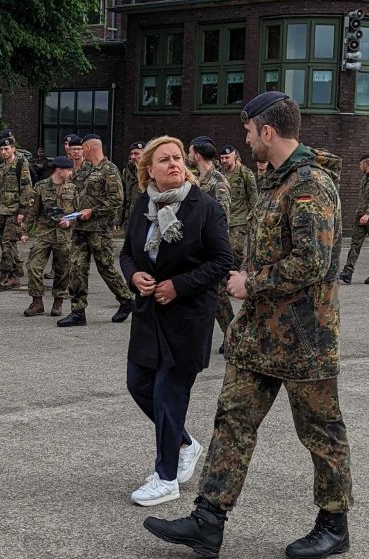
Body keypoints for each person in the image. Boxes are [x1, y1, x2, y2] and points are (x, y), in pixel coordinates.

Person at [143, 92, 352, 559]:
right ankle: (208, 521)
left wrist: (249, 283)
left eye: (249, 131)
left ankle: (334, 524)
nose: (246, 139)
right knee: (233, 422)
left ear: (268, 131)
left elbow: (313, 262)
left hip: (304, 339)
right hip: (259, 336)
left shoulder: (309, 184)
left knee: (321, 432)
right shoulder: (274, 181)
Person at [119, 136, 233, 507]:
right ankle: (184, 443)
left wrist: (178, 286)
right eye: (164, 159)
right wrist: (134, 276)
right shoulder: (142, 205)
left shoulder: (205, 208)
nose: (174, 164)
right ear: (148, 169)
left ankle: (166, 477)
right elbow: (126, 254)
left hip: (187, 316)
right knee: (139, 384)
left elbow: (221, 262)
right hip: (149, 315)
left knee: (169, 395)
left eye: (178, 158)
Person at [57, 134, 134, 327]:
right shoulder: (85, 169)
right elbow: (76, 192)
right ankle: (77, 311)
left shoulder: (109, 170)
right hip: (80, 228)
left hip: (99, 230)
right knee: (76, 268)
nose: (80, 152)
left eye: (82, 148)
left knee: (106, 268)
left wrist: (93, 211)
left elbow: (117, 199)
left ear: (89, 149)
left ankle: (126, 300)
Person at [188, 139, 234, 347]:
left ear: (197, 155)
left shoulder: (219, 182)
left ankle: (233, 336)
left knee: (220, 297)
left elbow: (222, 216)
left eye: (189, 151)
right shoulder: (194, 179)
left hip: (211, 247)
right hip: (193, 244)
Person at [22, 156, 77, 317]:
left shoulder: (73, 188)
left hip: (64, 236)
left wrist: (70, 221)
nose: (70, 172)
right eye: (68, 170)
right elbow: (32, 211)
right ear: (59, 171)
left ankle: (58, 302)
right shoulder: (40, 187)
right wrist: (24, 231)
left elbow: (80, 211)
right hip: (44, 234)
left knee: (63, 270)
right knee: (33, 267)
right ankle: (37, 302)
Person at [0, 135, 34, 290]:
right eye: (1, 149)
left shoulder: (20, 164)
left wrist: (22, 211)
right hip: (1, 209)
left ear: (13, 149)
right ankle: (15, 268)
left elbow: (26, 188)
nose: (4, 152)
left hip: (14, 210)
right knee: (3, 241)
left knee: (8, 241)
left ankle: (7, 274)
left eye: (6, 149)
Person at [339, 153, 369, 285]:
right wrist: (361, 214)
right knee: (355, 244)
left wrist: (367, 214)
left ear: (365, 164)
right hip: (361, 217)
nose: (359, 167)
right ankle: (347, 272)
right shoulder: (365, 178)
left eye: (360, 165)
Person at [118, 141, 145, 229]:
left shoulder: (151, 171)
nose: (133, 157)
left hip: (145, 218)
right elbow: (122, 197)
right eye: (131, 154)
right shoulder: (127, 172)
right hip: (129, 219)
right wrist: (118, 219)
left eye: (136, 154)